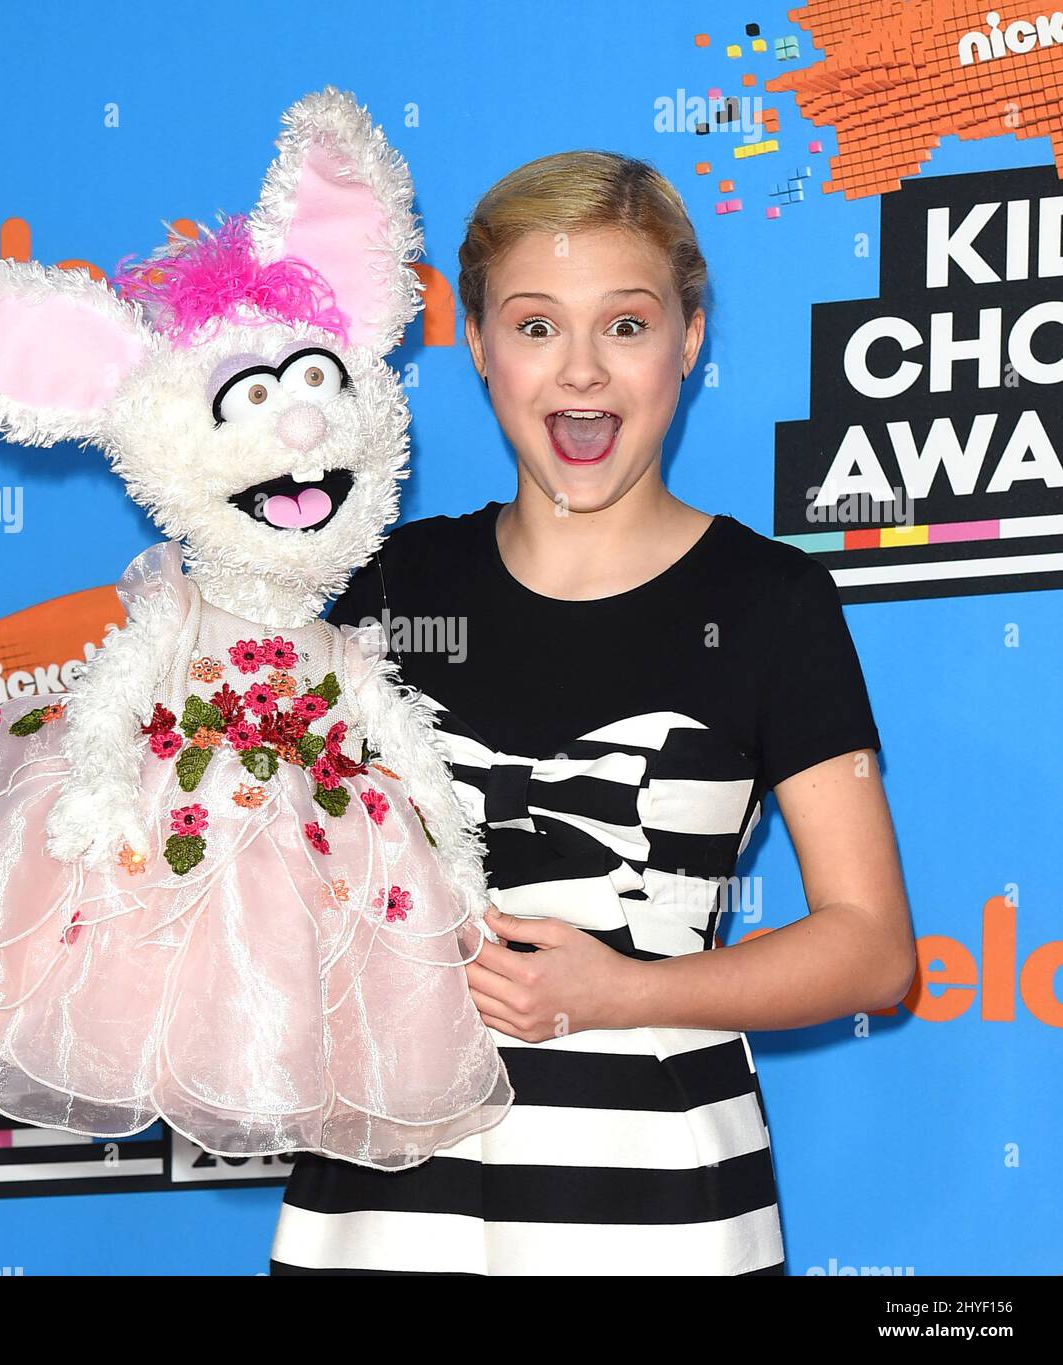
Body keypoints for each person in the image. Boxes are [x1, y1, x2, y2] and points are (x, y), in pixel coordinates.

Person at [268, 150, 915, 1275]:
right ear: (474, 344)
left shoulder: (770, 604)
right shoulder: (386, 586)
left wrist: (623, 992)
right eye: (533, 327)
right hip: (380, 1208)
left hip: (660, 1209)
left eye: (624, 325)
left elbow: (871, 950)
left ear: (688, 340)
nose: (580, 373)